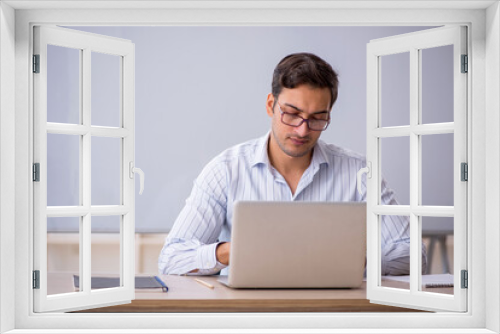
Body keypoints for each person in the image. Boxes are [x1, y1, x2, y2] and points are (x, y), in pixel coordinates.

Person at [158, 52, 426, 276]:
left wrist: (352, 258)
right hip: (247, 315)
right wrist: (235, 250)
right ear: (270, 105)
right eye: (292, 114)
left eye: (317, 118)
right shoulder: (225, 170)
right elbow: (172, 259)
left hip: (333, 315)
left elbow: (415, 255)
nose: (302, 130)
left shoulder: (359, 173)